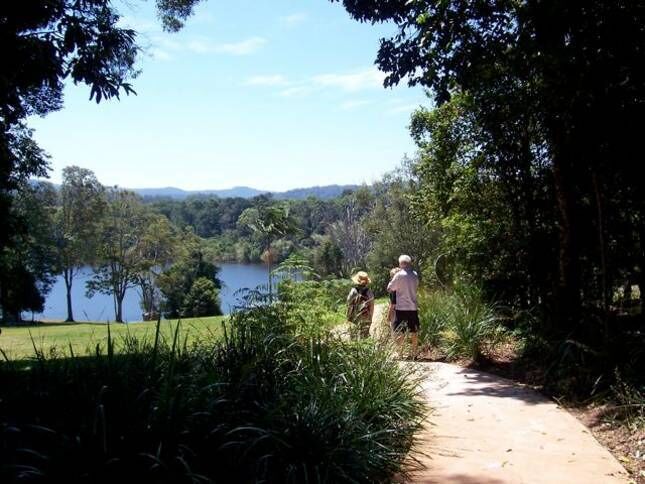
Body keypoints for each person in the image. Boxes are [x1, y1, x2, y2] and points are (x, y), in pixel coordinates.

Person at [387, 255, 420, 357]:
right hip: (413, 307)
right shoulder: (415, 274)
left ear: (401, 263)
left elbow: (389, 288)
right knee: (414, 330)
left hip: (401, 307)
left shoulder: (399, 275)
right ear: (409, 263)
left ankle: (400, 353)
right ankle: (414, 353)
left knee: (399, 330)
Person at [347, 271, 375, 339]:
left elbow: (348, 303)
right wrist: (370, 318)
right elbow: (372, 306)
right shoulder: (369, 291)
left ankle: (354, 349)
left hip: (355, 316)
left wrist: (349, 315)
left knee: (353, 336)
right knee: (365, 336)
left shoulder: (353, 291)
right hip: (366, 316)